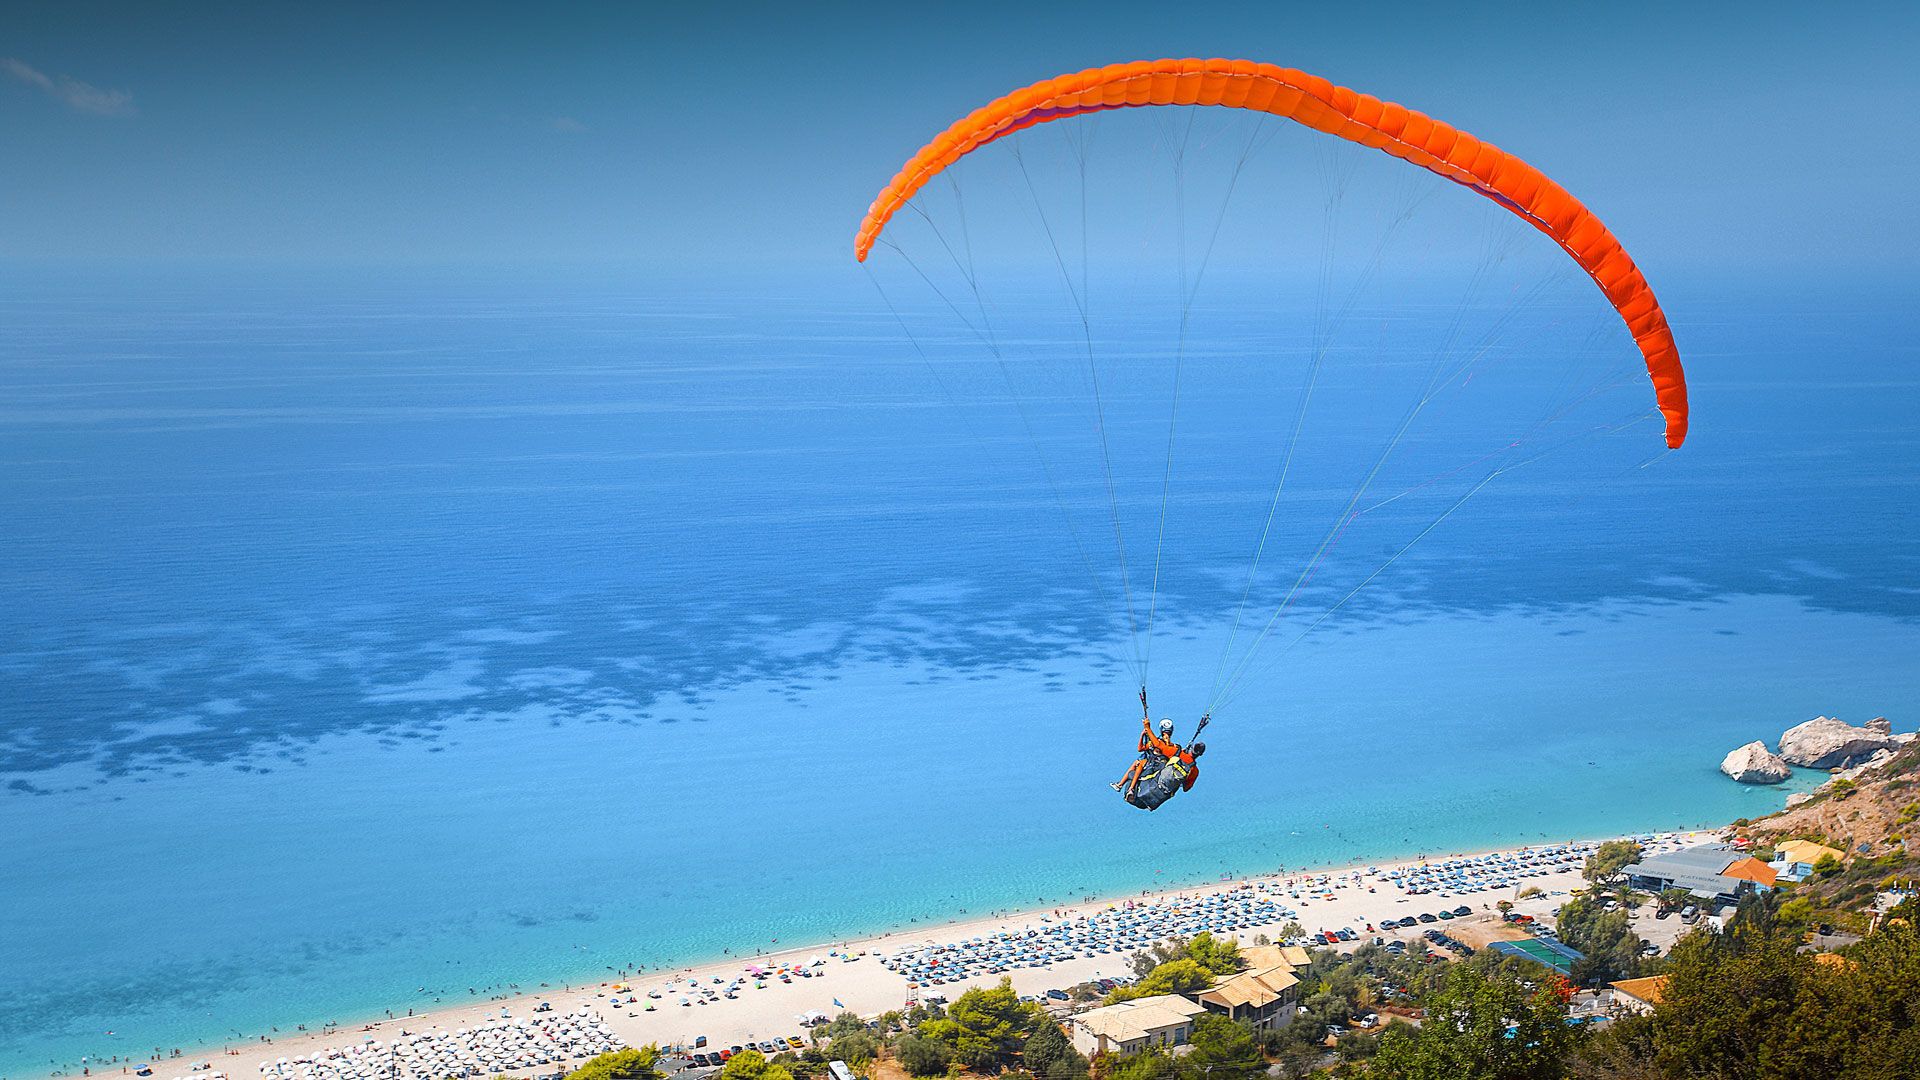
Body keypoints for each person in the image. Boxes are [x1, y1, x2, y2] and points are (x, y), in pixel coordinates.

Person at [1126, 740, 1205, 811]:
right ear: (1200, 754)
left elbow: (1159, 745)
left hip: (1147, 788)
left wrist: (1147, 727)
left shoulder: (1178, 753)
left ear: (1191, 748)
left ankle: (1131, 790)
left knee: (1131, 774)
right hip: (1153, 801)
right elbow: (1186, 789)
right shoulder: (1194, 771)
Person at [1111, 715, 1179, 796]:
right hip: (1163, 765)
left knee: (1139, 764)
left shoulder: (1157, 742)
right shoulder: (1175, 746)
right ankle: (1120, 785)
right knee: (1138, 762)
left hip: (1155, 764)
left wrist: (1143, 734)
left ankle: (1130, 788)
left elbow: (1140, 749)